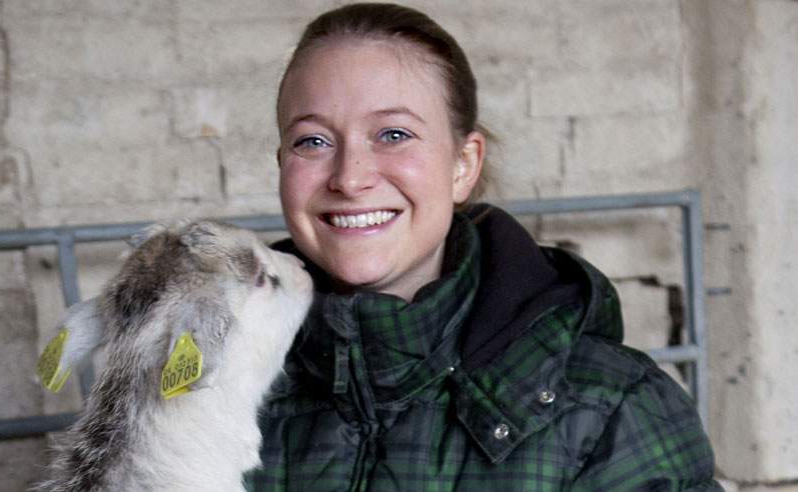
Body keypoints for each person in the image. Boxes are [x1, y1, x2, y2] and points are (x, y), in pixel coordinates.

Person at [245, 3, 722, 490]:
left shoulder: (613, 410)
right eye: (312, 141)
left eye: (394, 134)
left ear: (463, 165)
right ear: (282, 162)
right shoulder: (215, 389)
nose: (349, 177)